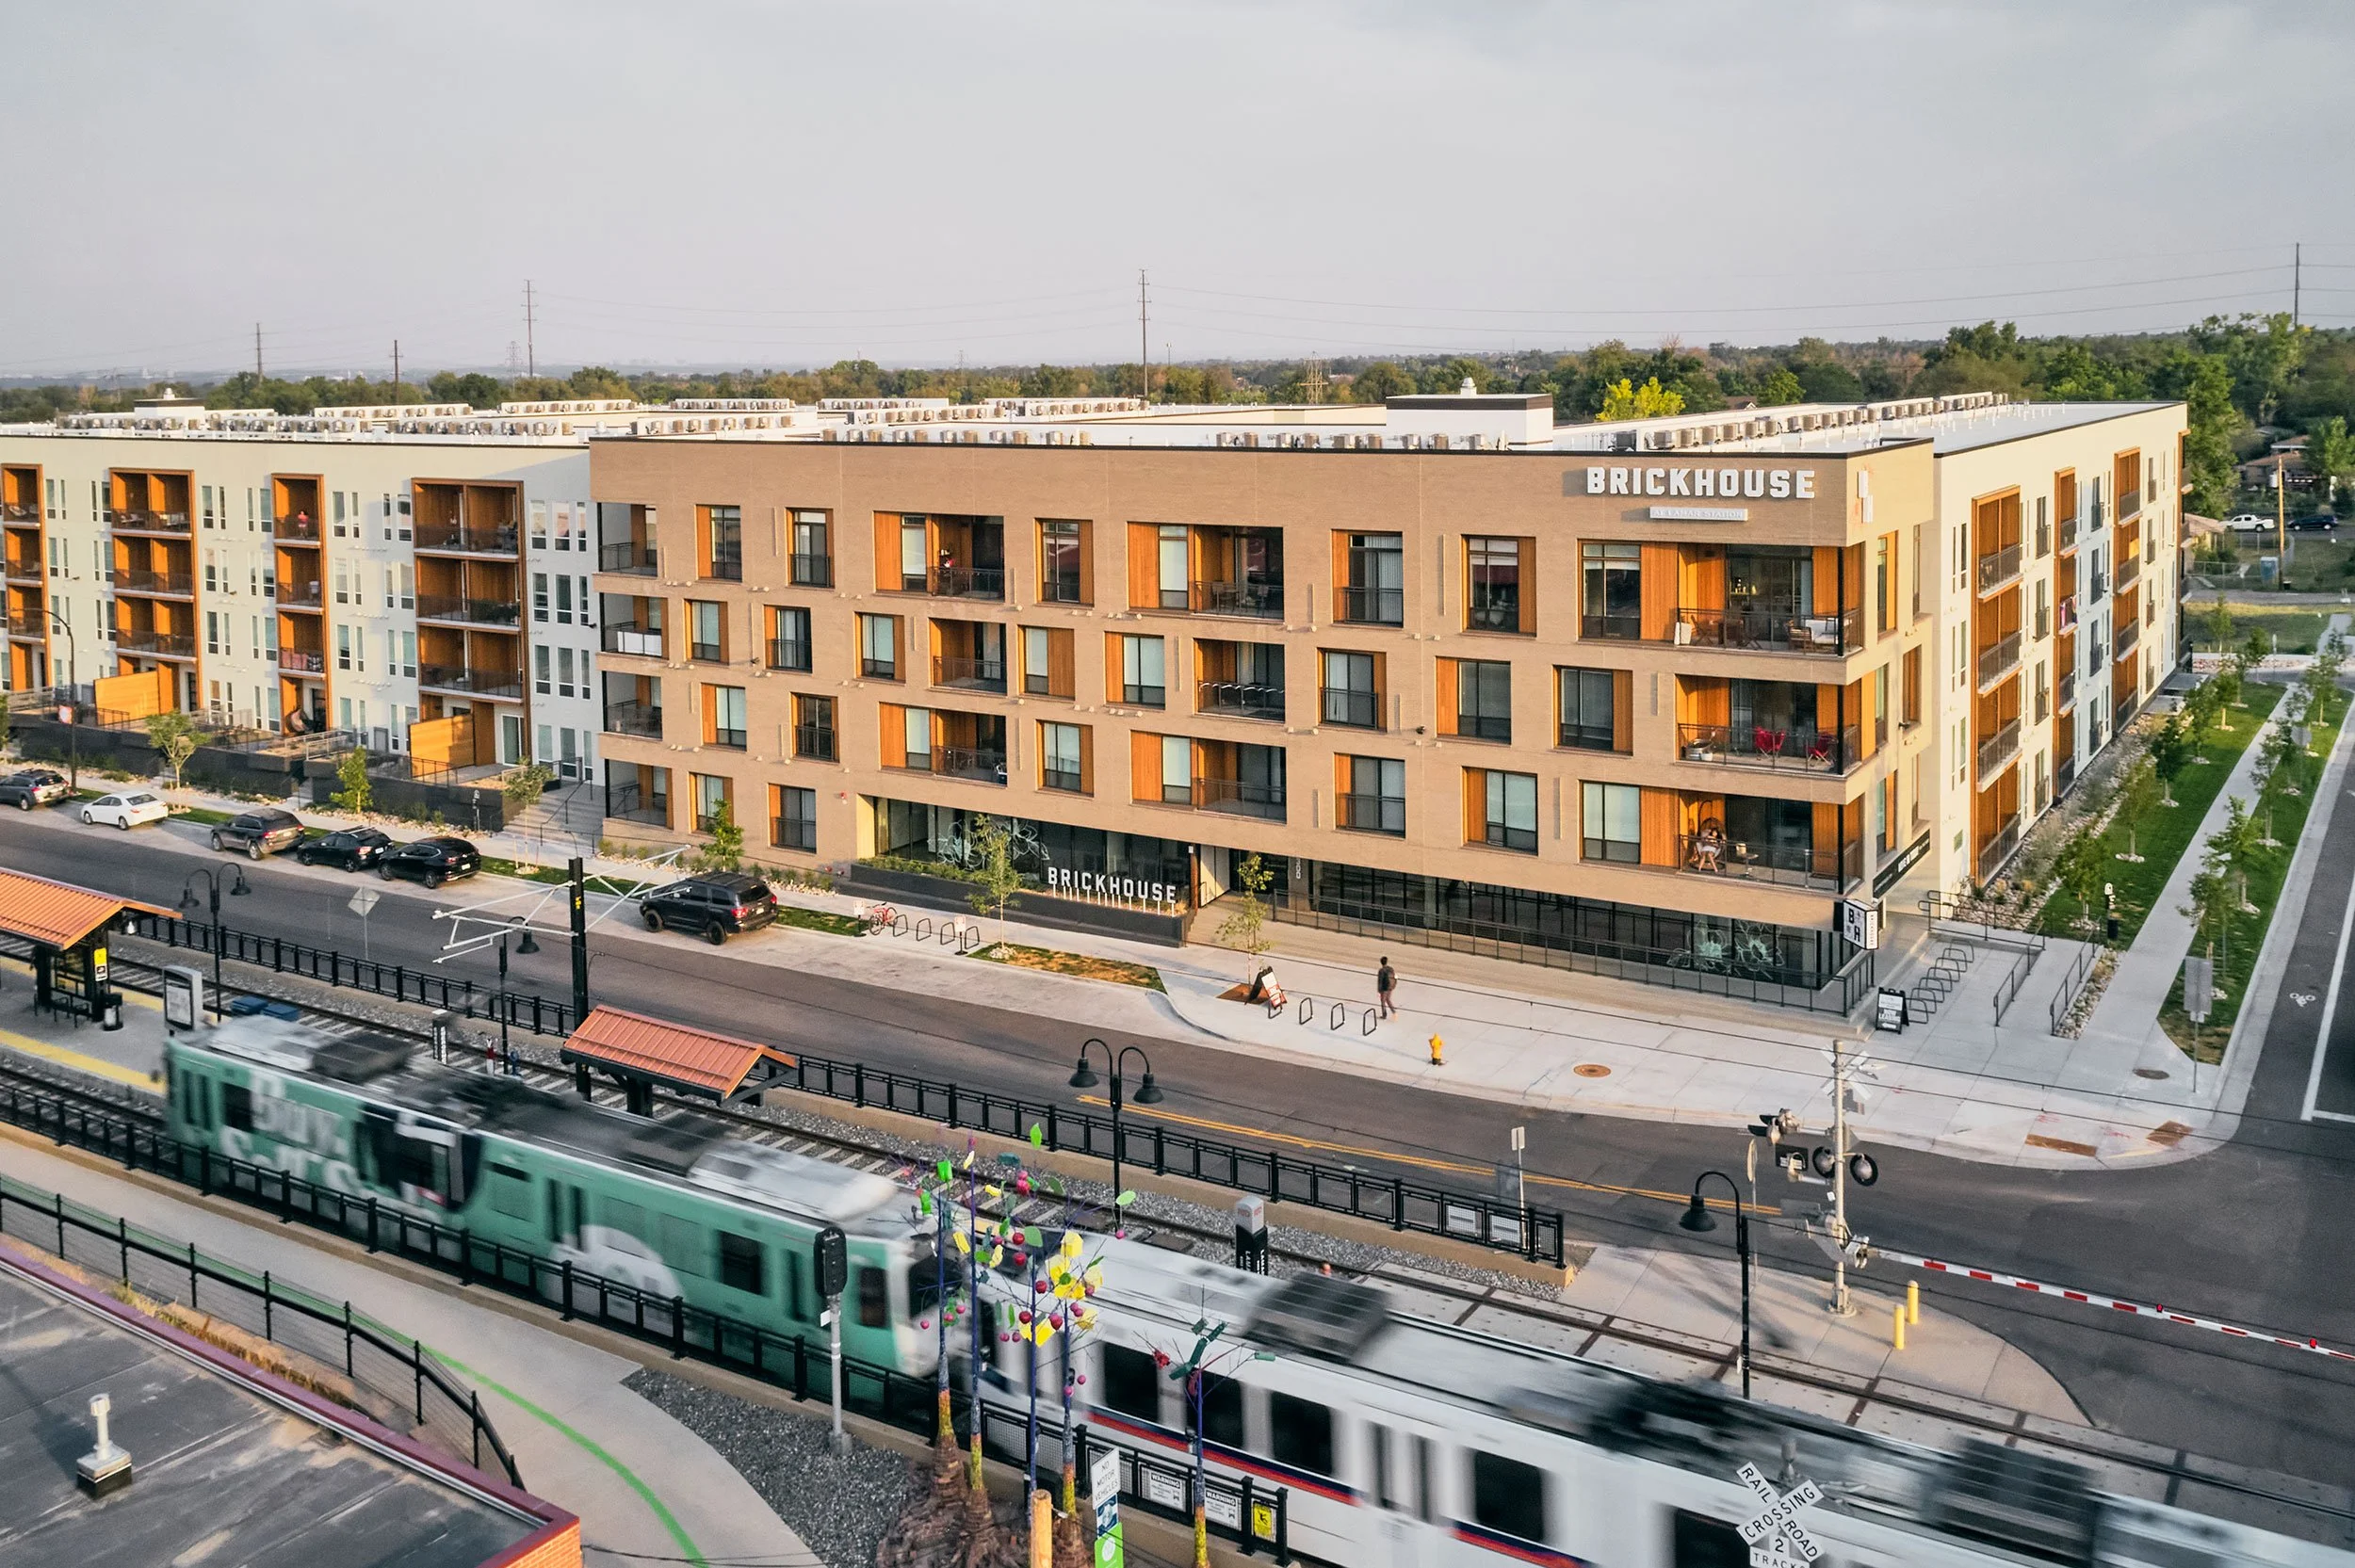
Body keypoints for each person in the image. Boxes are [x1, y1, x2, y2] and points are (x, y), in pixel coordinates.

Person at [1376, 955, 1397, 1019]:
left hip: (1385, 988)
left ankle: (1384, 1014)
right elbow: (1395, 977)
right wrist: (1394, 984)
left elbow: (1380, 980)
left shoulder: (1381, 970)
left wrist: (1379, 989)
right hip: (1390, 987)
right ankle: (1394, 1012)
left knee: (1383, 1001)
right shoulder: (1391, 969)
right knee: (1388, 999)